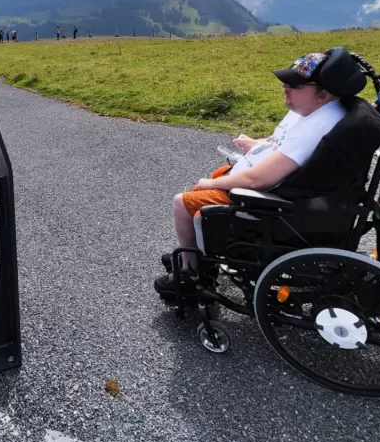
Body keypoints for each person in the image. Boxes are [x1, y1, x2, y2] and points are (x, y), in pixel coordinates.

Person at [154, 50, 363, 297]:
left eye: (295, 84)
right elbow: (281, 141)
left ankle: (193, 275)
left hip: (267, 199)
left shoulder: (315, 128)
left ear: (323, 94)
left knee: (183, 202)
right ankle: (198, 250)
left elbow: (258, 180)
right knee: (217, 176)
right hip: (266, 179)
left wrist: (210, 182)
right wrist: (257, 143)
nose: (285, 87)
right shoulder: (313, 110)